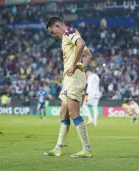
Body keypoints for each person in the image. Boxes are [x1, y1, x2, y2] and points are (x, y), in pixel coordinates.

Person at [43, 16, 93, 158]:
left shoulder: (69, 32)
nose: (53, 35)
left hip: (73, 77)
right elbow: (88, 55)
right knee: (63, 114)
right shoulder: (67, 37)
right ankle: (58, 148)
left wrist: (74, 66)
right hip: (69, 78)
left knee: (73, 113)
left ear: (58, 26)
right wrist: (81, 66)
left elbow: (81, 44)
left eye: (53, 32)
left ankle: (87, 149)